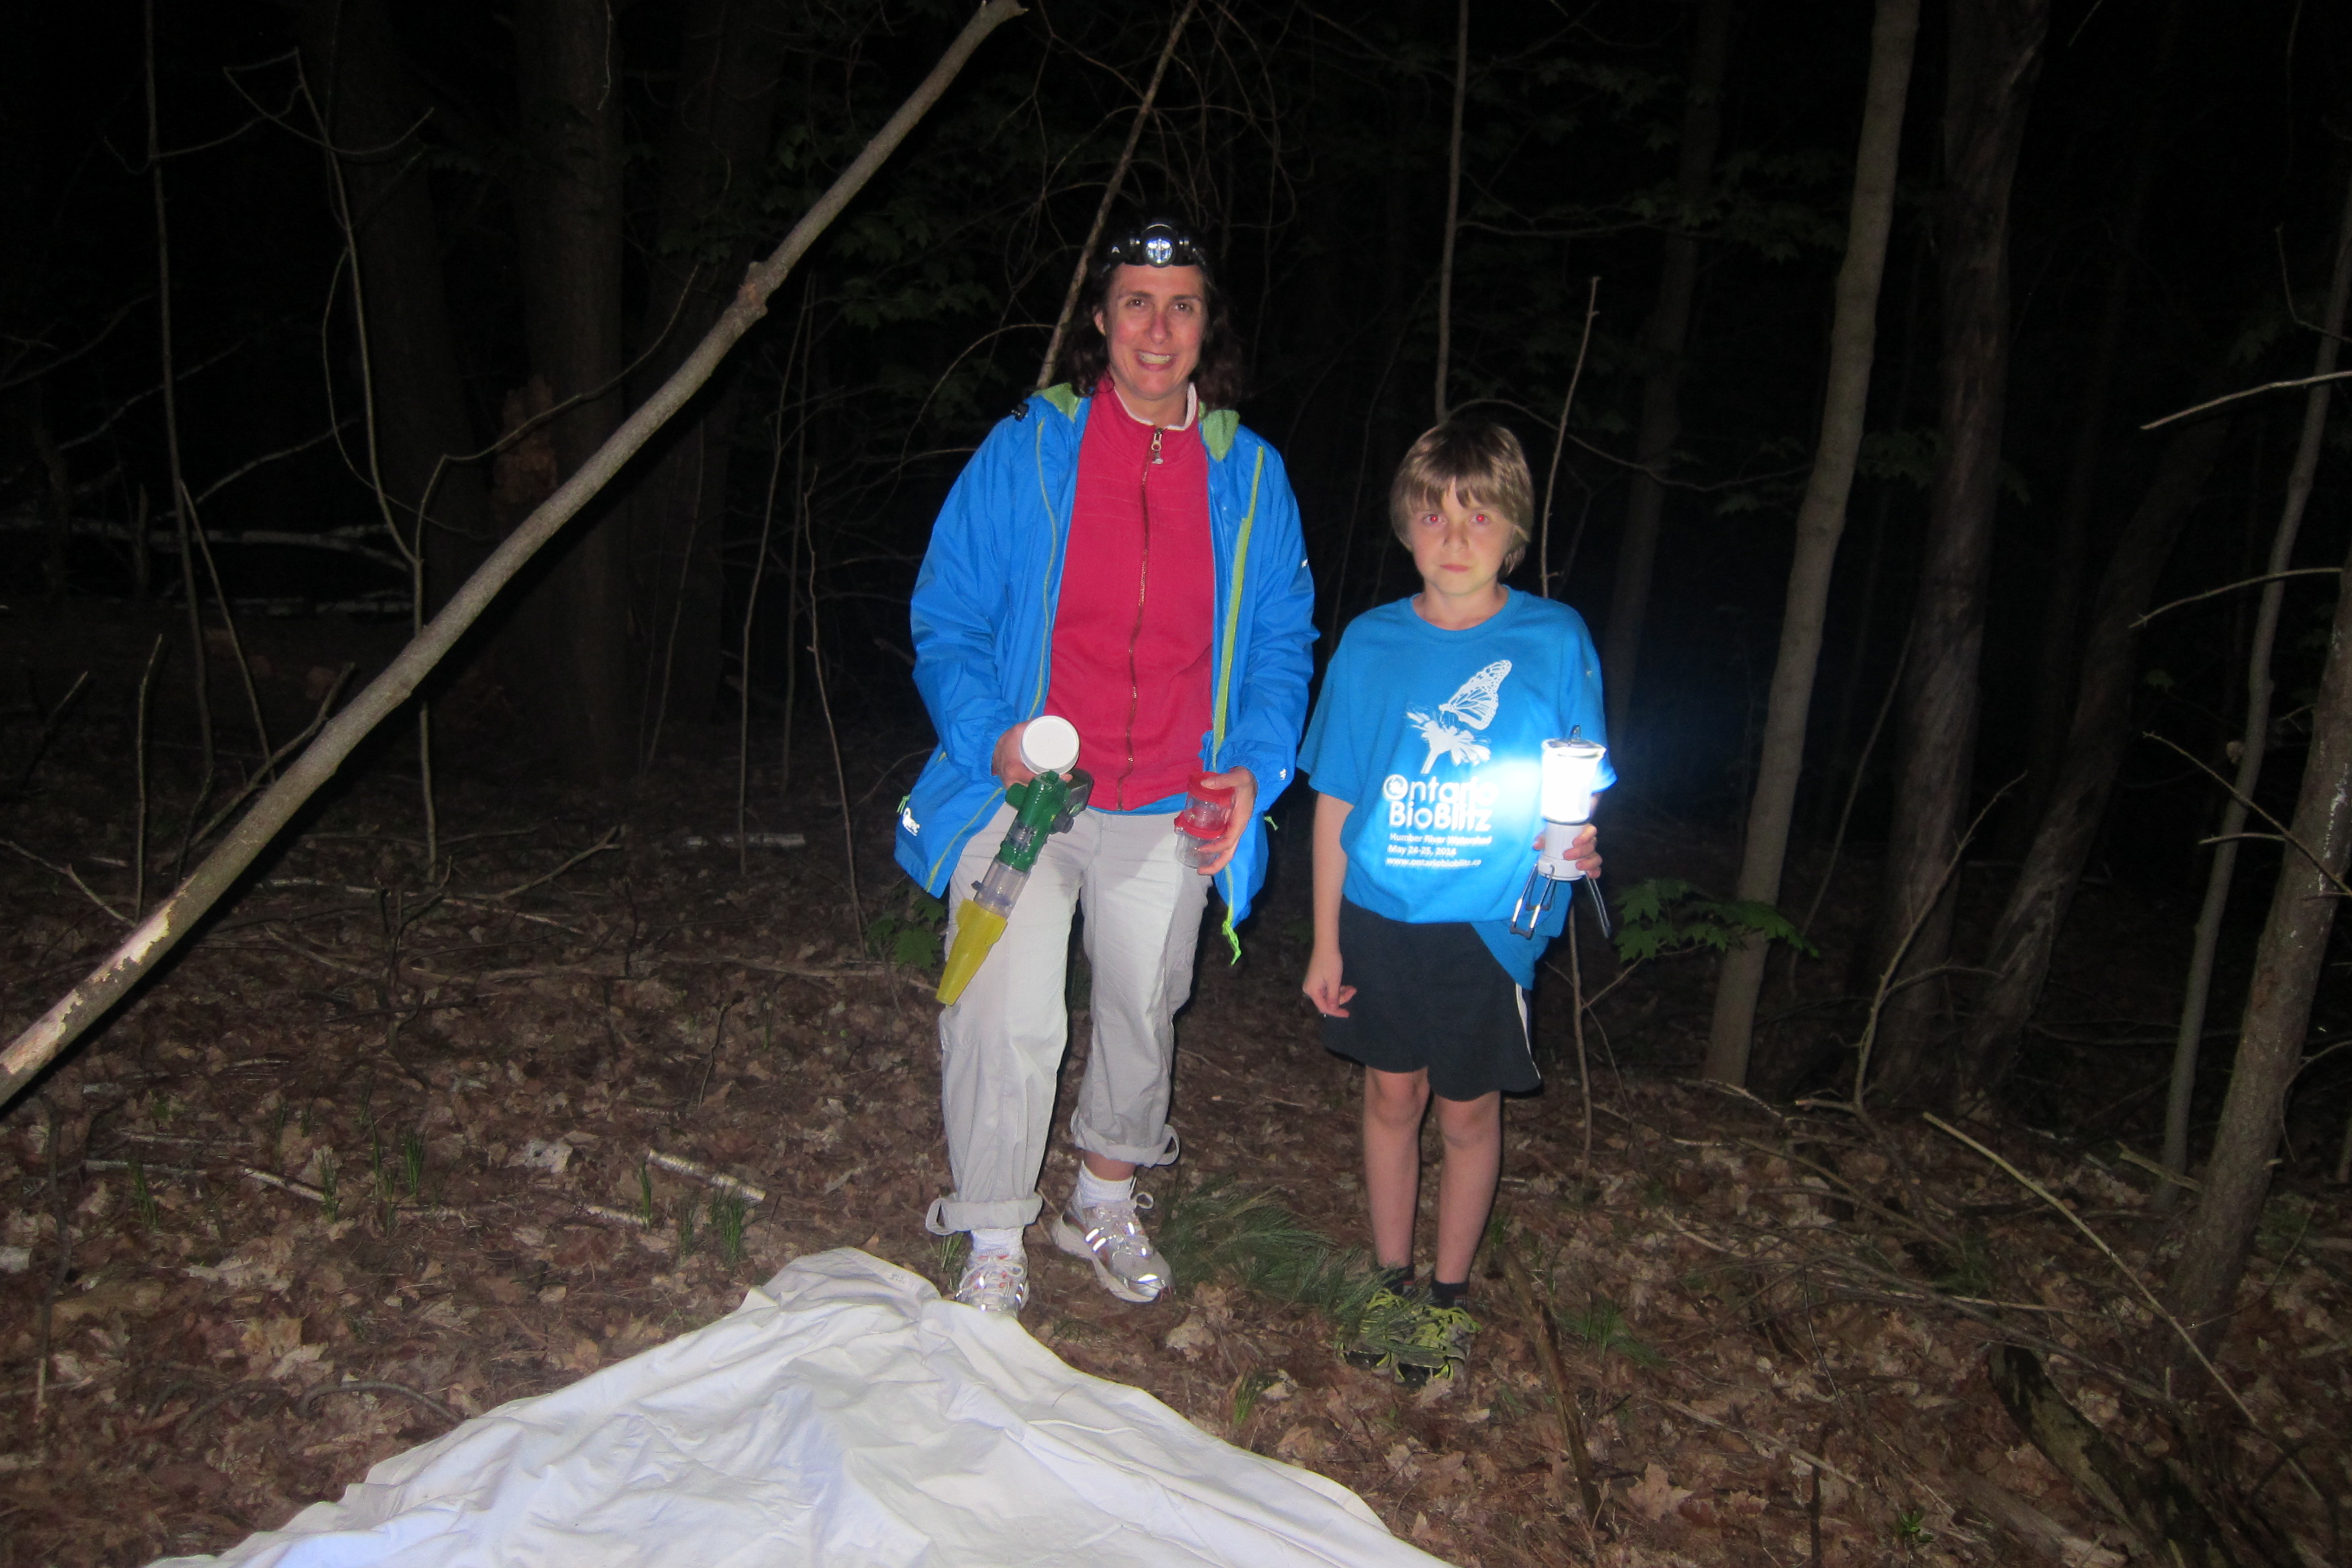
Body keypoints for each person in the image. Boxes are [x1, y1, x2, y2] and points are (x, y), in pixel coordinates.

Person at [895, 217, 1316, 1314]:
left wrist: (1255, 773)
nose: (1158, 327)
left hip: (1176, 798)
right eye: (1136, 301)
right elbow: (946, 616)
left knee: (1144, 1001)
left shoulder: (1254, 479)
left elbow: (1280, 640)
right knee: (1000, 1004)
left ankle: (1103, 1197)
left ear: (1205, 324)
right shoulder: (1028, 451)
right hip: (1027, 791)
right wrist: (992, 736)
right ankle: (992, 1231)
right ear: (1100, 318)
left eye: (1181, 305)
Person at [1297, 420, 1608, 1383]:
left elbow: (1580, 773)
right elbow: (1337, 796)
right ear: (1407, 526)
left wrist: (1581, 838)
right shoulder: (1371, 642)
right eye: (1434, 513)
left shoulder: (1553, 638)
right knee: (1392, 1094)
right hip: (1382, 911)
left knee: (1469, 1112)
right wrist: (1323, 942)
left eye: (1479, 514)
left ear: (1512, 529)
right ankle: (1390, 1286)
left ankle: (1447, 1298)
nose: (1455, 534)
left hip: (1490, 923)